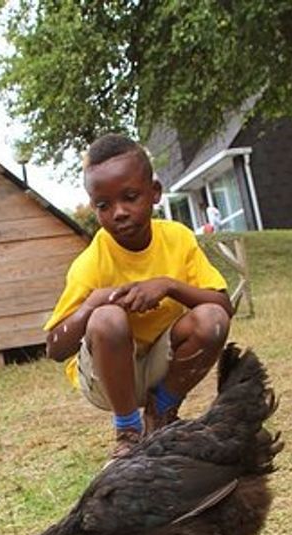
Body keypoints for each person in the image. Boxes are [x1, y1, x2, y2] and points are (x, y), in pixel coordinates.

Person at [44, 134, 233, 463]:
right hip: (107, 379)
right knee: (106, 318)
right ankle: (128, 432)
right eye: (104, 205)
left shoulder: (177, 239)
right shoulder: (92, 262)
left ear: (155, 192)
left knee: (211, 320)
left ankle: (161, 414)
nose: (119, 212)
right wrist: (91, 305)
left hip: (161, 367)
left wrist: (169, 285)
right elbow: (55, 349)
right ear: (94, 208)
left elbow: (223, 307)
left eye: (130, 197)